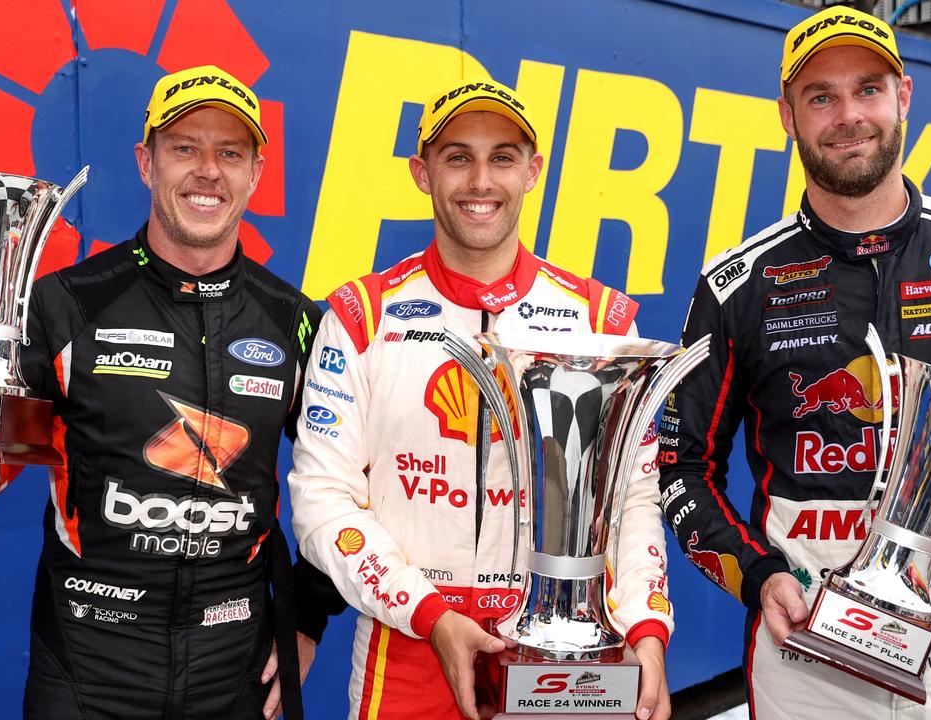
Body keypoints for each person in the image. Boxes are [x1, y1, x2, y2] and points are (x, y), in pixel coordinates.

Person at [658, 6, 931, 719]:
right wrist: (756, 576)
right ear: (787, 115)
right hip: (804, 641)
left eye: (867, 88)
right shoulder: (734, 285)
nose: (848, 115)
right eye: (820, 96)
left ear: (904, 96)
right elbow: (680, 470)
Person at [0, 64, 343, 720]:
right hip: (86, 672)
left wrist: (305, 619)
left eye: (230, 152)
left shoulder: (298, 323)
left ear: (256, 172)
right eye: (184, 148)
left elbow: (341, 484)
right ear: (146, 161)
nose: (207, 170)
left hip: (234, 672)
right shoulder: (63, 306)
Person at [287, 80, 673, 720]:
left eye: (502, 157)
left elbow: (631, 500)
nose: (480, 181)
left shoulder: (599, 319)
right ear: (421, 172)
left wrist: (644, 629)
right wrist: (432, 616)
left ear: (533, 172)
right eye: (457, 157)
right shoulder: (362, 315)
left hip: (564, 646)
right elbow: (322, 502)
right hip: (409, 642)